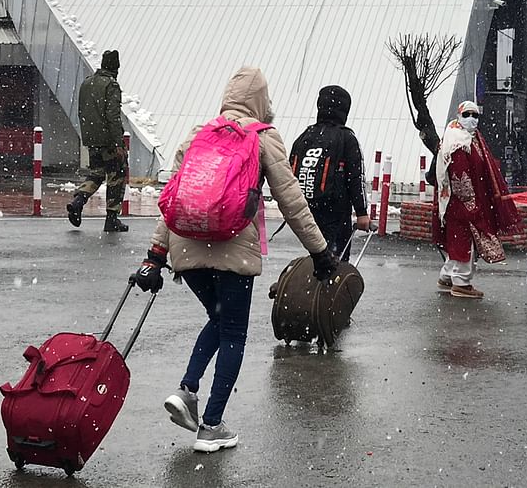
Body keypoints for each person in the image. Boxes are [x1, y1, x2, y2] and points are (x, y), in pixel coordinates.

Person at [130, 67, 335, 453]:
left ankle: (187, 390)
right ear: (261, 102)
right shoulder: (263, 138)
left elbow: (171, 200)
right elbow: (292, 200)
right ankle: (211, 425)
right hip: (232, 249)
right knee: (234, 333)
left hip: (186, 248)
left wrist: (156, 257)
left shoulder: (198, 134)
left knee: (219, 319)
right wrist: (320, 251)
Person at [431, 101, 520, 299]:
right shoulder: (457, 141)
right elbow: (459, 174)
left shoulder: (469, 137)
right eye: (467, 114)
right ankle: (462, 283)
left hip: (457, 201)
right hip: (461, 201)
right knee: (465, 241)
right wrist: (470, 201)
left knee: (458, 239)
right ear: (459, 116)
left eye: (475, 115)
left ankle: (447, 276)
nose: (472, 119)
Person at [288, 85, 371, 261]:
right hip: (336, 211)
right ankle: (329, 285)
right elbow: (356, 178)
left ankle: (311, 283)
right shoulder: (346, 138)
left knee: (315, 255)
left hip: (307, 208)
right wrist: (362, 212)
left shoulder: (305, 136)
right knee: (336, 258)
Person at [66, 50, 129, 232]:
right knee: (117, 175)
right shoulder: (111, 85)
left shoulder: (87, 83)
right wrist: (118, 143)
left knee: (96, 173)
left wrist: (90, 136)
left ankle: (78, 202)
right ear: (115, 67)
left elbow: (82, 111)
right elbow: (113, 116)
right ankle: (111, 218)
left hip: (91, 139)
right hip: (108, 140)